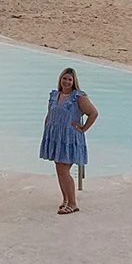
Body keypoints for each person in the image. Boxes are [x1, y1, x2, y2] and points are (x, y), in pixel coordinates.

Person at [39, 67, 97, 214]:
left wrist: (83, 128)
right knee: (59, 170)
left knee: (64, 171)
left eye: (69, 79)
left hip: (69, 138)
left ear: (74, 82)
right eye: (64, 78)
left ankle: (72, 203)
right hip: (55, 138)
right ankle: (65, 199)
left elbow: (93, 113)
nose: (66, 81)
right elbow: (49, 114)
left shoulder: (78, 97)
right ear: (60, 79)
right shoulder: (54, 95)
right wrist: (47, 130)